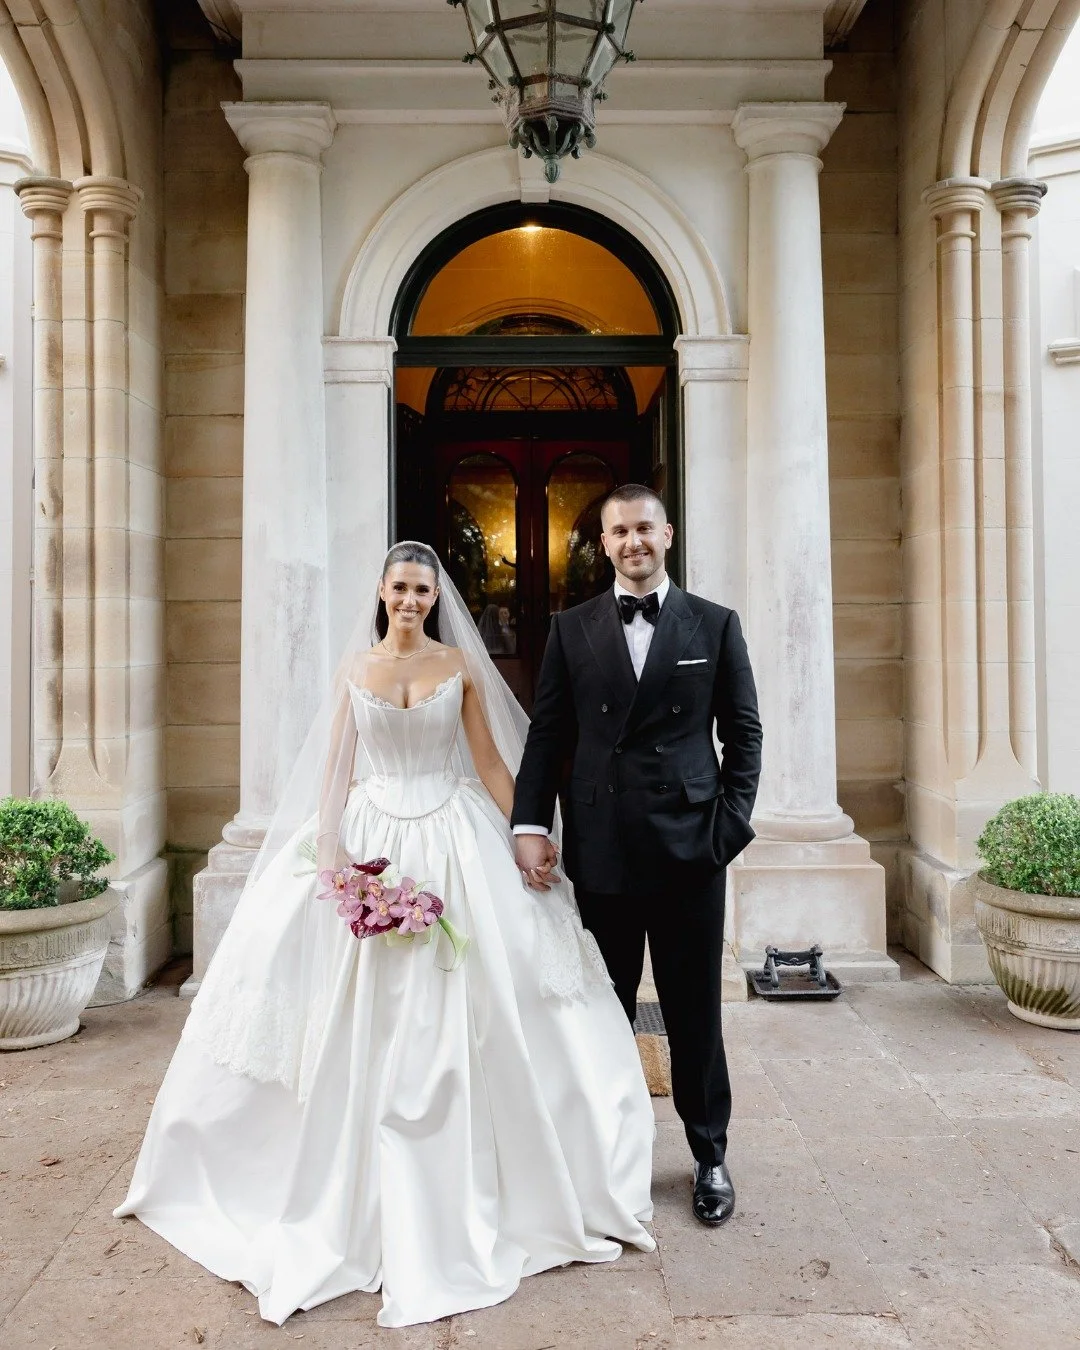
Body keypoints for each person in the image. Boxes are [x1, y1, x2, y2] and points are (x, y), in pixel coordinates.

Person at [115, 542, 655, 1329]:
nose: (409, 599)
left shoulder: (460, 670)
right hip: (373, 836)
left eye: (422, 590)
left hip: (453, 836)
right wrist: (332, 859)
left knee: (488, 997)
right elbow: (336, 769)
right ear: (381, 591)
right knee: (345, 1003)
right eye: (399, 587)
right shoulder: (355, 671)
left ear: (436, 598)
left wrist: (527, 829)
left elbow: (491, 765)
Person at [512, 485, 762, 1227]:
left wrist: (729, 827)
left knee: (693, 1013)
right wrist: (530, 822)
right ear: (603, 541)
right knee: (605, 1009)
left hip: (690, 849)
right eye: (619, 531)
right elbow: (548, 737)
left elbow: (744, 734)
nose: (633, 542)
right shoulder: (571, 627)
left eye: (644, 528)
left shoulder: (714, 625)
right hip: (603, 848)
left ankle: (709, 1154)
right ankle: (609, 1158)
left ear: (668, 533)